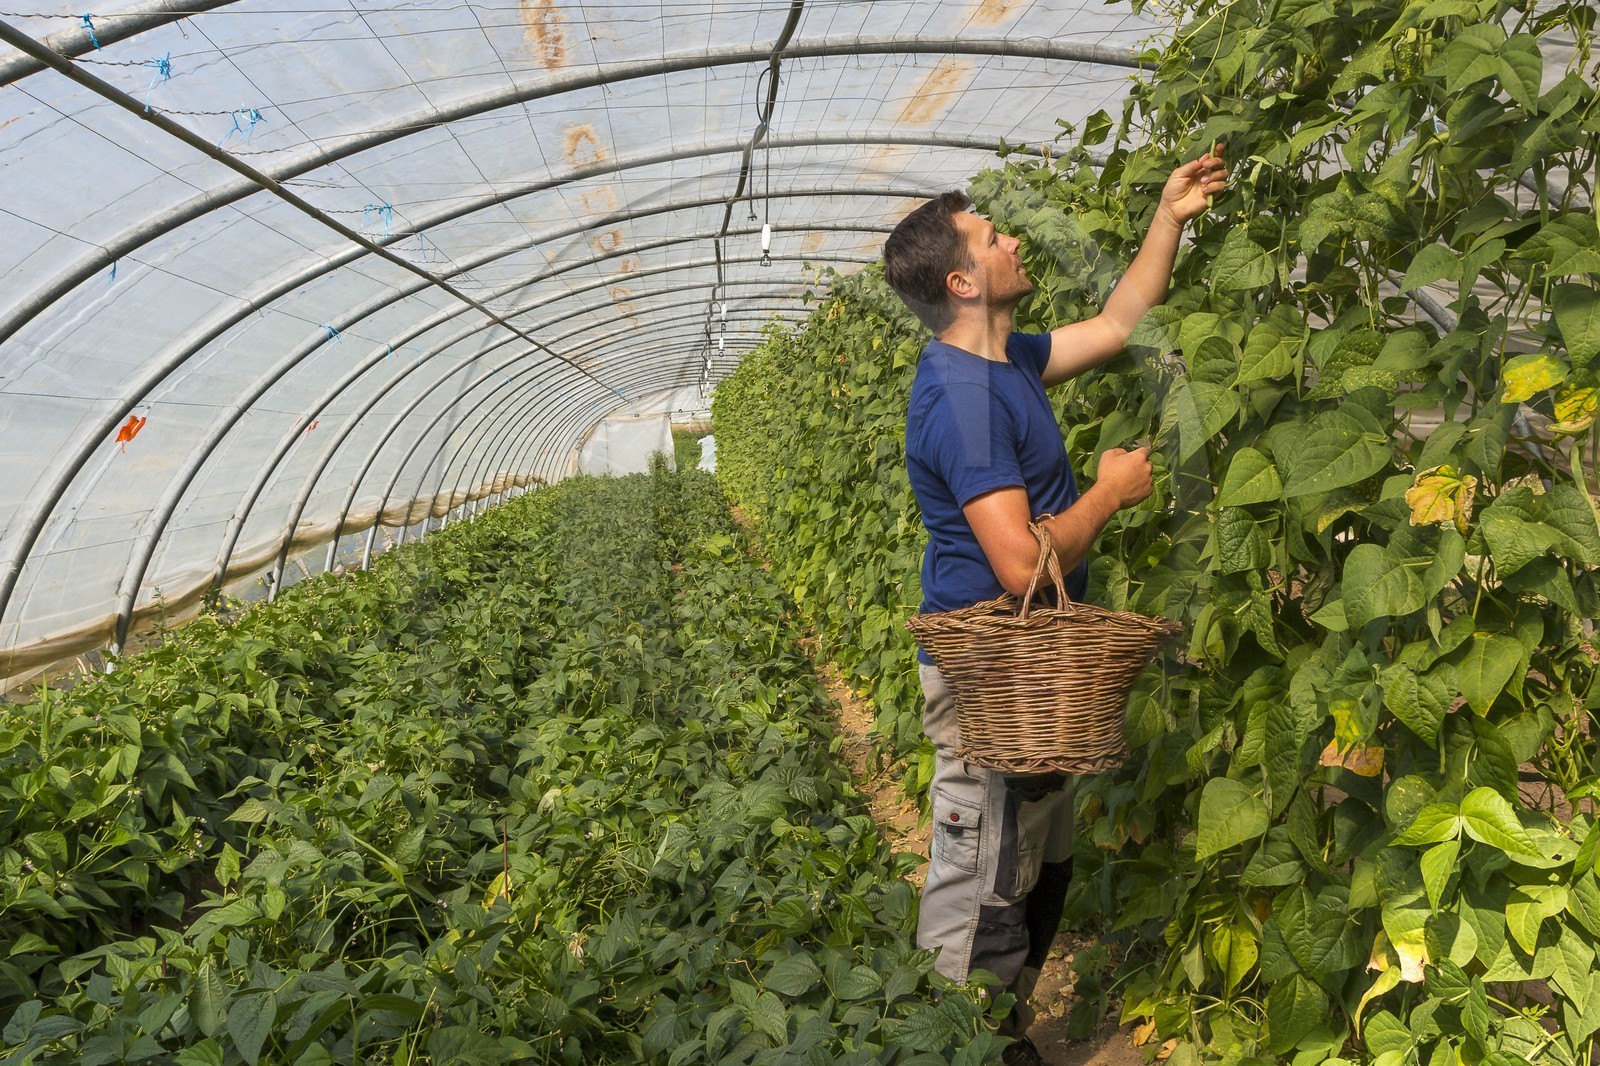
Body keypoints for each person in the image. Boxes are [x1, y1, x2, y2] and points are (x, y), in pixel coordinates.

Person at [882, 148, 1227, 1066]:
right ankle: (957, 1043)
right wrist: (1112, 493)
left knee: (1038, 860)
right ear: (964, 279)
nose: (1014, 239)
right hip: (997, 670)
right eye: (994, 238)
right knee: (985, 871)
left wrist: (1170, 215)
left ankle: (1003, 1030)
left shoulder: (1009, 362)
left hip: (1043, 668)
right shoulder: (963, 401)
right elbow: (1013, 563)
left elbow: (1118, 322)